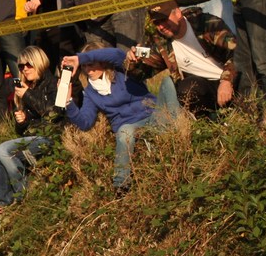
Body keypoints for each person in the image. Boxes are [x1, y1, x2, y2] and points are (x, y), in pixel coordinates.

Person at [61, 47, 179, 195]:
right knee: (124, 132)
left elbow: (116, 53)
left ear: (103, 62)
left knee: (167, 82)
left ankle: (178, 131)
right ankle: (121, 185)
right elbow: (85, 122)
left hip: (154, 114)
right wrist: (68, 103)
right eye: (84, 66)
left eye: (90, 63)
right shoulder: (90, 92)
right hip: (129, 125)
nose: (87, 69)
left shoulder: (121, 71)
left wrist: (79, 58)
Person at [130, 1, 238, 116]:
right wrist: (132, 62)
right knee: (186, 89)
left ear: (178, 13)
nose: (161, 26)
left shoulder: (206, 23)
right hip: (205, 87)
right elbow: (140, 74)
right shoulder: (160, 41)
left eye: (164, 19)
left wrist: (226, 80)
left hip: (232, 79)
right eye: (157, 23)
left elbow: (239, 52)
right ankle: (209, 120)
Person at [0, 46, 59, 208]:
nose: (25, 69)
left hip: (49, 138)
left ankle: (23, 195)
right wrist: (22, 122)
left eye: (29, 65)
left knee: (5, 151)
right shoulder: (25, 87)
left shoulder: (52, 83)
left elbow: (52, 114)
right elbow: (20, 131)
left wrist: (27, 95)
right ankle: (4, 201)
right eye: (21, 66)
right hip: (31, 138)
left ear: (39, 63)